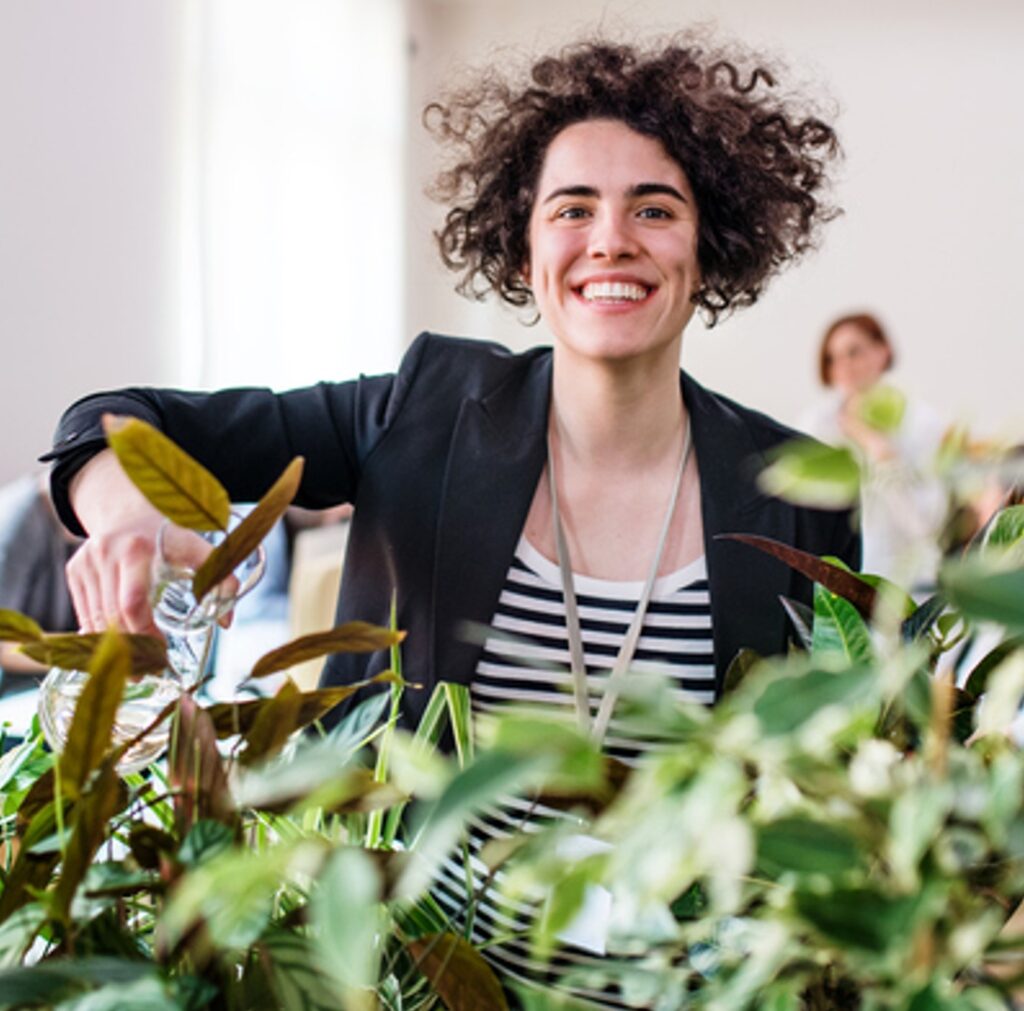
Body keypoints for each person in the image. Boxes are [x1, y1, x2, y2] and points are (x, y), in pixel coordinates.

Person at [44, 34, 858, 1006]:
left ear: (709, 244)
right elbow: (112, 421)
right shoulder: (423, 410)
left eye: (654, 208)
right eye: (572, 208)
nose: (610, 240)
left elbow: (833, 792)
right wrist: (129, 519)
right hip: (403, 985)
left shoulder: (796, 488)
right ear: (522, 246)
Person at [800, 311, 947, 589]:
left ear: (883, 351)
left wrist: (880, 451)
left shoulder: (919, 422)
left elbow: (925, 524)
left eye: (854, 352)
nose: (844, 366)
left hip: (910, 583)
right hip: (839, 583)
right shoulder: (817, 424)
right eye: (832, 358)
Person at [0, 472, 81, 739]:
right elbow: (4, 647)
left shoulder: (76, 526)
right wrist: (90, 651)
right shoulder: (15, 523)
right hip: (16, 694)